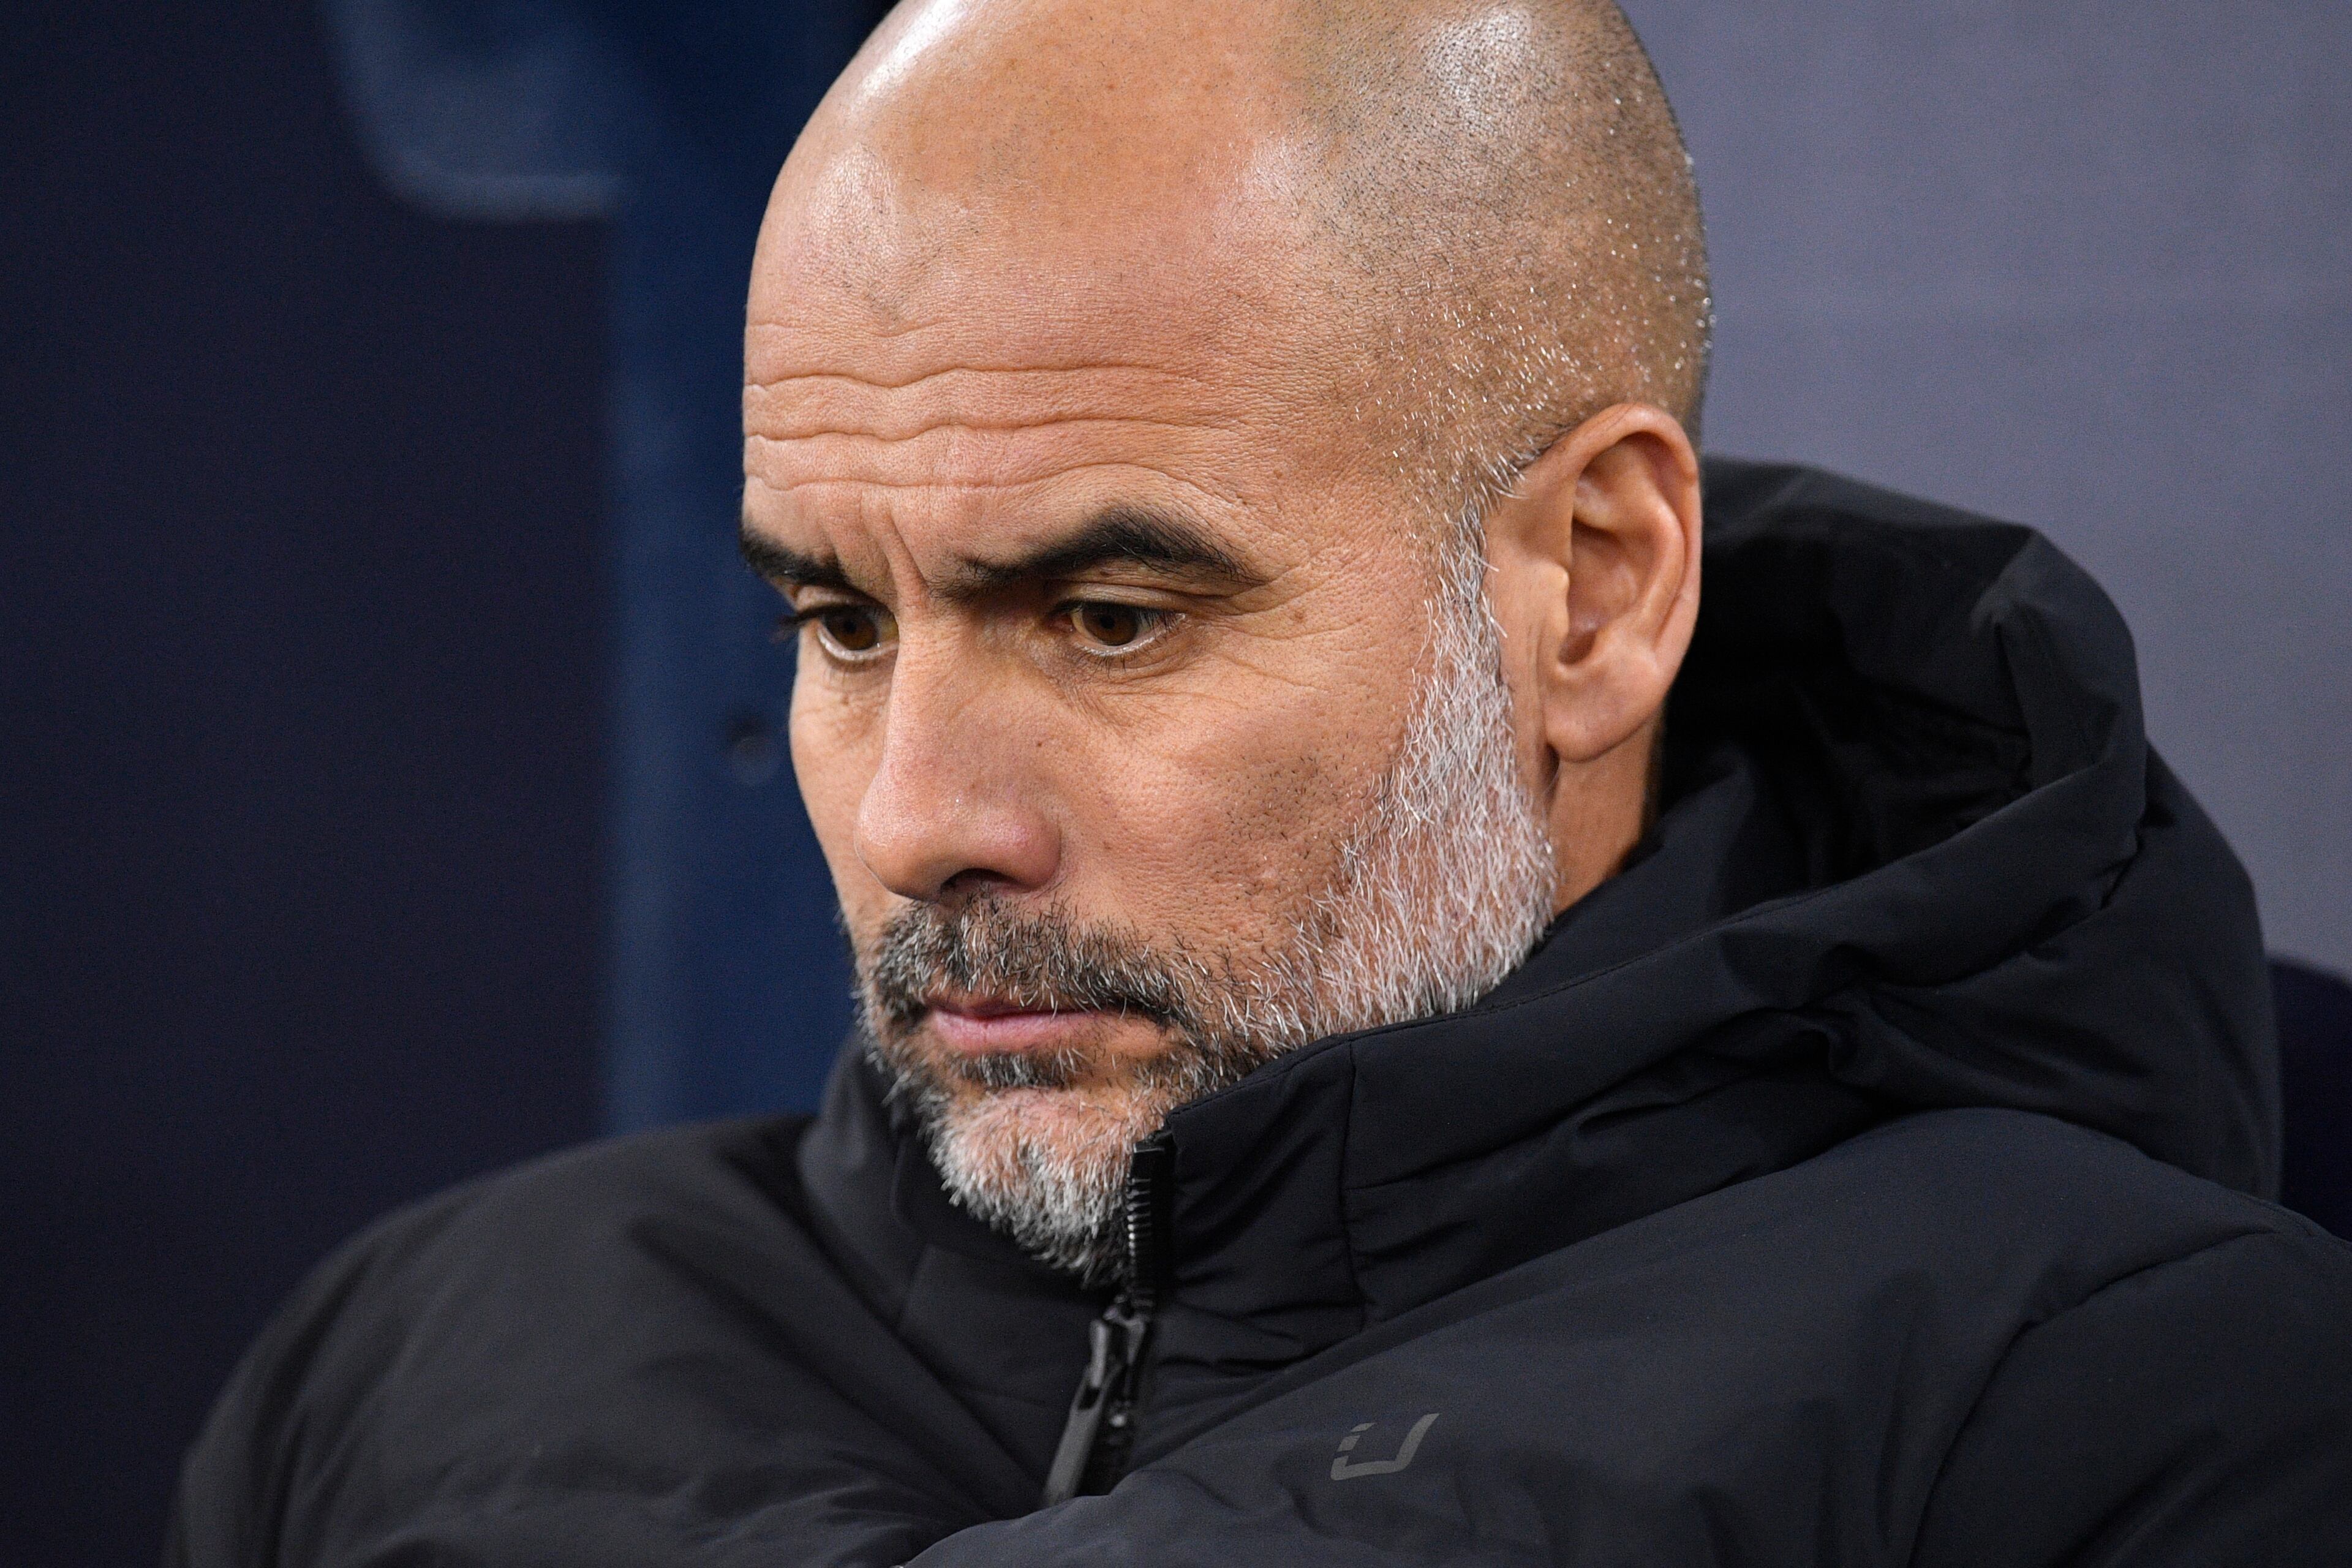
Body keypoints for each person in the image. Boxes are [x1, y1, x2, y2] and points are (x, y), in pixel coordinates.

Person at [170, 1, 2352, 1562]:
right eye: (843, 620)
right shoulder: (409, 1358)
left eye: (1114, 616)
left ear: (1594, 592)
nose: (921, 815)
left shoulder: (2104, 1404)